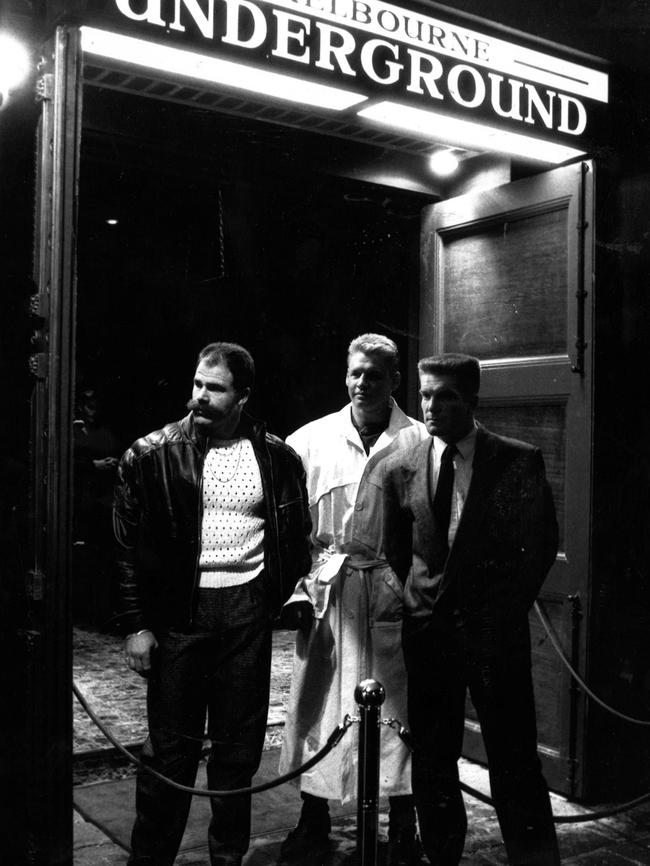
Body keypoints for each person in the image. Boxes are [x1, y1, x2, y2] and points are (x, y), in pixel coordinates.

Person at [113, 342, 312, 866]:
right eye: (197, 383)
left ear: (243, 395)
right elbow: (126, 550)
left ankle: (228, 858)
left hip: (246, 615)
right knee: (169, 756)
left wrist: (272, 600)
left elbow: (294, 536)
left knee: (238, 753)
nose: (199, 396)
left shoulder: (277, 456)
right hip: (181, 617)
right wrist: (136, 625)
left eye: (215, 388)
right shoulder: (151, 453)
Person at [383, 353, 561, 866]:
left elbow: (538, 547)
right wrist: (421, 602)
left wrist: (497, 615)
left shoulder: (516, 460)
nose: (432, 406)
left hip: (493, 641)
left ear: (472, 399)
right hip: (429, 639)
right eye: (425, 395)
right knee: (434, 764)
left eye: (446, 396)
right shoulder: (404, 465)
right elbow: (400, 552)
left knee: (514, 764)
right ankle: (441, 857)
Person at [278, 333, 428, 866]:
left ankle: (404, 825)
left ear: (395, 381)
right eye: (355, 373)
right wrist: (301, 584)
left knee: (397, 708)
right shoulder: (309, 440)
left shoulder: (418, 440)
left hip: (391, 591)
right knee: (319, 702)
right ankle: (312, 819)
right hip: (330, 591)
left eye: (375, 375)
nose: (362, 383)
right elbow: (291, 525)